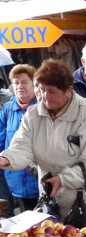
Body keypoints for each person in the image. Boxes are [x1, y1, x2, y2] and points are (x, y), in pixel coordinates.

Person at [0, 59, 86, 232]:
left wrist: (62, 179)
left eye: (51, 91)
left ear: (68, 90)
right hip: (52, 202)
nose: (44, 96)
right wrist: (5, 159)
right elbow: (22, 147)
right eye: (41, 89)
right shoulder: (33, 114)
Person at [0, 64, 40, 215]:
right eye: (16, 83)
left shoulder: (43, 108)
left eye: (24, 82)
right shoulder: (8, 109)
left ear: (33, 83)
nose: (19, 86)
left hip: (39, 183)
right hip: (13, 182)